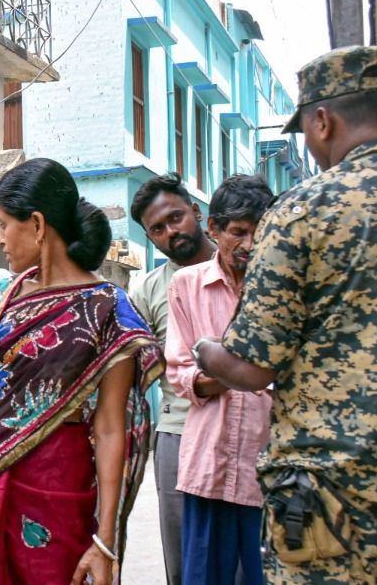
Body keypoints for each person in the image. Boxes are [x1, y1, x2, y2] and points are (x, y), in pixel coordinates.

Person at [194, 46, 377, 583]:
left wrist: (208, 352)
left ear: (322, 120)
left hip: (331, 508)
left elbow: (253, 368)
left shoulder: (302, 212)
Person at [0, 158, 163, 585]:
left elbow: (113, 427)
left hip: (56, 494)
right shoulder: (0, 302)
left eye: (4, 224)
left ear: (37, 225)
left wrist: (106, 540)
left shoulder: (108, 309)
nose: (0, 238)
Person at [165, 175, 273, 585]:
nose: (248, 245)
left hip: (268, 469)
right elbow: (181, 374)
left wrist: (222, 370)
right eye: (238, 232)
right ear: (213, 228)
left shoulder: (279, 285)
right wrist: (246, 375)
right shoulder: (186, 286)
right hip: (208, 466)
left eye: (258, 233)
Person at [127, 172, 216, 585]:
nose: (170, 232)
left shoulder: (240, 268)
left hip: (250, 429)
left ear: (196, 212)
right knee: (183, 562)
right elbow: (133, 367)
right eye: (157, 229)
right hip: (179, 434)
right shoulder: (146, 290)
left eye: (176, 217)